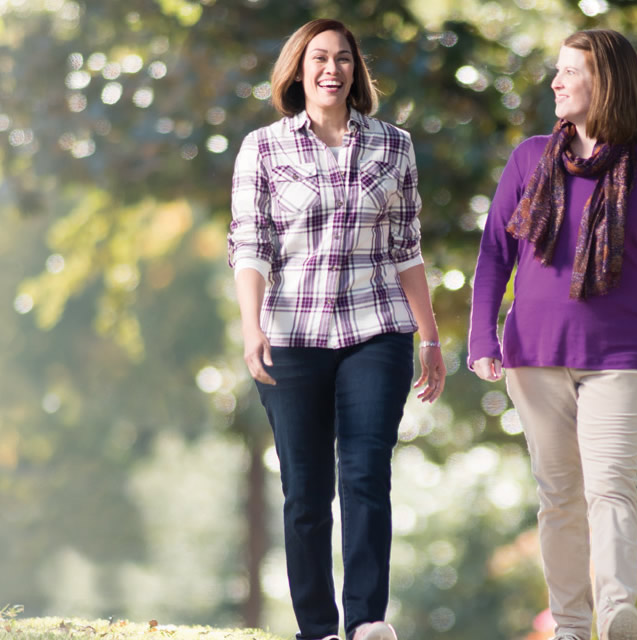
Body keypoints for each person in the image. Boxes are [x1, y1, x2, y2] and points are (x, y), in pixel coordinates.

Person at [466, 29, 637, 640]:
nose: (556, 82)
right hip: (532, 360)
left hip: (619, 358)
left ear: (606, 83)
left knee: (612, 486)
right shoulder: (528, 159)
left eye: (570, 72)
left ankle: (617, 612)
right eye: (558, 71)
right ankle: (570, 626)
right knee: (559, 497)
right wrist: (481, 339)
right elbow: (494, 254)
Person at [227, 17, 445, 640]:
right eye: (318, 58)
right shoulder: (263, 148)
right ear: (298, 70)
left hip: (376, 329)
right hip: (291, 335)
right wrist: (252, 328)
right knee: (305, 491)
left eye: (343, 58)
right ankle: (317, 628)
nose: (331, 69)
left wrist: (429, 338)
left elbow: (407, 248)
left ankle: (367, 623)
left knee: (366, 474)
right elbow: (250, 246)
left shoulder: (393, 146)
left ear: (357, 70)